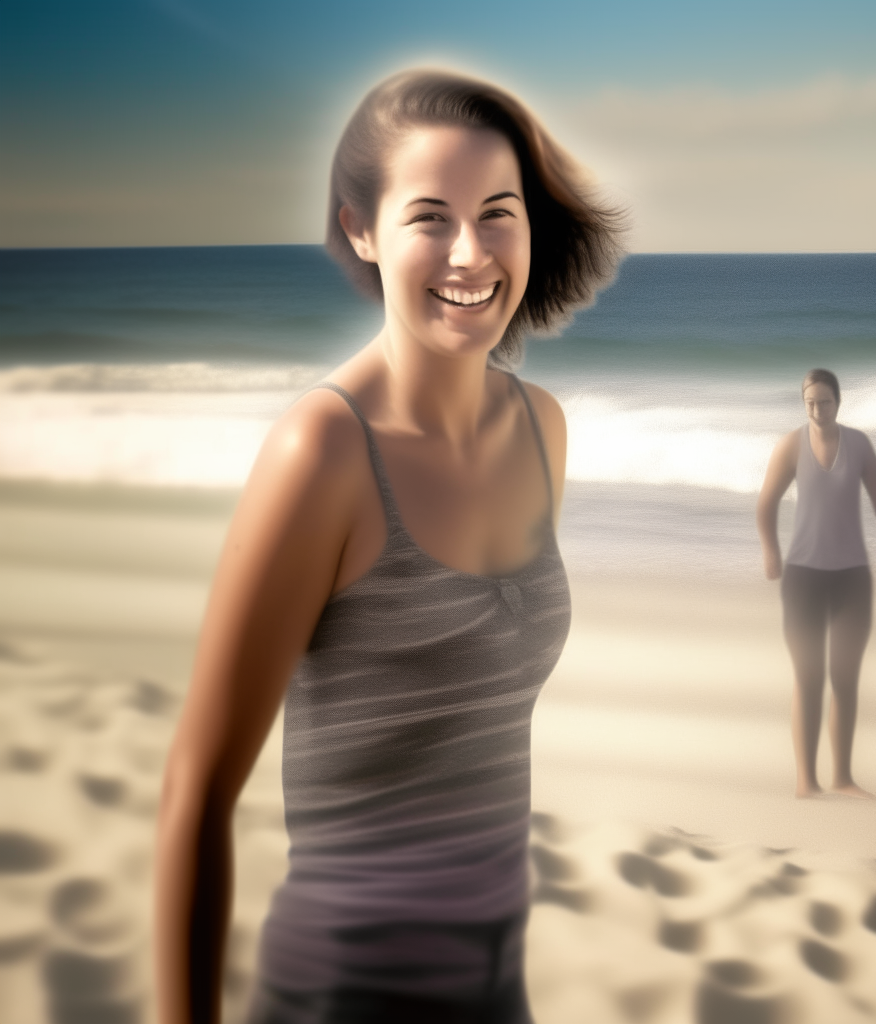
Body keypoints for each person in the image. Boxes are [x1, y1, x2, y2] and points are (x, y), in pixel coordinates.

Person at [153, 70, 623, 1024]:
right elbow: (197, 790)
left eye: (498, 213)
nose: (470, 252)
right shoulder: (323, 452)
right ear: (362, 230)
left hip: (496, 990)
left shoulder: (544, 430)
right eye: (429, 218)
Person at [756, 368, 876, 800]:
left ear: (838, 403)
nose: (817, 410)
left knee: (845, 678)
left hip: (852, 580)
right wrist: (771, 551)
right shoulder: (791, 445)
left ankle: (842, 777)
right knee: (808, 679)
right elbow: (765, 504)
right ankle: (807, 780)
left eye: (824, 402)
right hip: (803, 578)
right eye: (809, 403)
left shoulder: (858, 444)